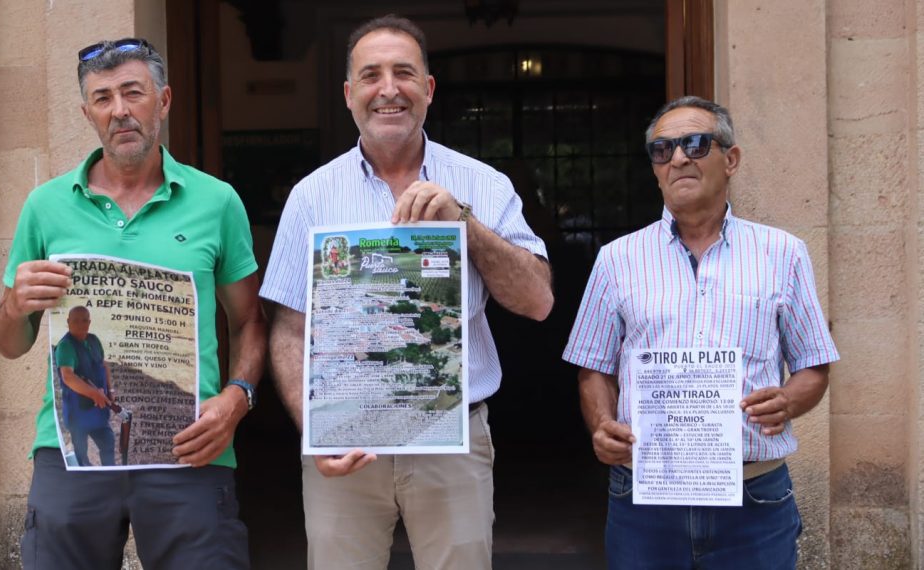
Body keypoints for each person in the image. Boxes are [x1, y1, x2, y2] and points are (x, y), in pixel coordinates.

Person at [261, 15, 553, 570]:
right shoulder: (311, 196)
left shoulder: (483, 184)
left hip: (452, 437)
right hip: (345, 439)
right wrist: (313, 430)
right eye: (370, 76)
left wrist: (462, 220)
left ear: (428, 89)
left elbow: (537, 301)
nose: (388, 89)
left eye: (403, 73)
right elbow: (291, 330)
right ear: (349, 95)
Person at [0, 37, 266, 569]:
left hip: (186, 442)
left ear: (163, 101)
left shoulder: (216, 201)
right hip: (71, 448)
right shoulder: (45, 207)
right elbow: (7, 342)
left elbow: (250, 320)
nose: (120, 111)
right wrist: (15, 306)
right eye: (103, 98)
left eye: (133, 93)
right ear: (87, 112)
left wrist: (237, 399)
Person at [563, 95, 840, 569]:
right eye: (661, 149)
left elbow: (814, 365)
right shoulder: (617, 259)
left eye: (694, 143)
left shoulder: (783, 253)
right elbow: (593, 368)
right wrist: (602, 425)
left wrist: (790, 400)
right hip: (645, 494)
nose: (677, 158)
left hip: (753, 494)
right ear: (654, 168)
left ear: (730, 159)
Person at [54, 306, 115, 467]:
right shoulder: (66, 346)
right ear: (68, 322)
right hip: (78, 411)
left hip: (99, 409)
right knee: (81, 452)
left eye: (84, 320)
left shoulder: (93, 340)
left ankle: (110, 475)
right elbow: (68, 376)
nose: (80, 324)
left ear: (89, 322)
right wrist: (95, 394)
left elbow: (103, 365)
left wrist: (110, 390)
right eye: (75, 320)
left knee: (108, 444)